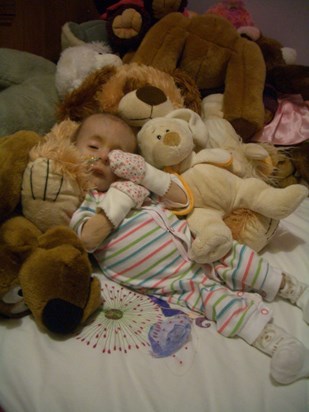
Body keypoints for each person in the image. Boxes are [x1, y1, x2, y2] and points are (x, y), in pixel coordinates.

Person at [70, 113, 309, 385]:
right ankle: (281, 345)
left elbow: (183, 198)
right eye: (93, 146)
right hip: (176, 281)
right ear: (71, 149)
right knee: (219, 304)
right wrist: (122, 198)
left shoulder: (138, 187)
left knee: (241, 259)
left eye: (116, 152)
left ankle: (297, 291)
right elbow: (88, 240)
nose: (104, 155)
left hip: (197, 244)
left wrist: (145, 176)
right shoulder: (83, 206)